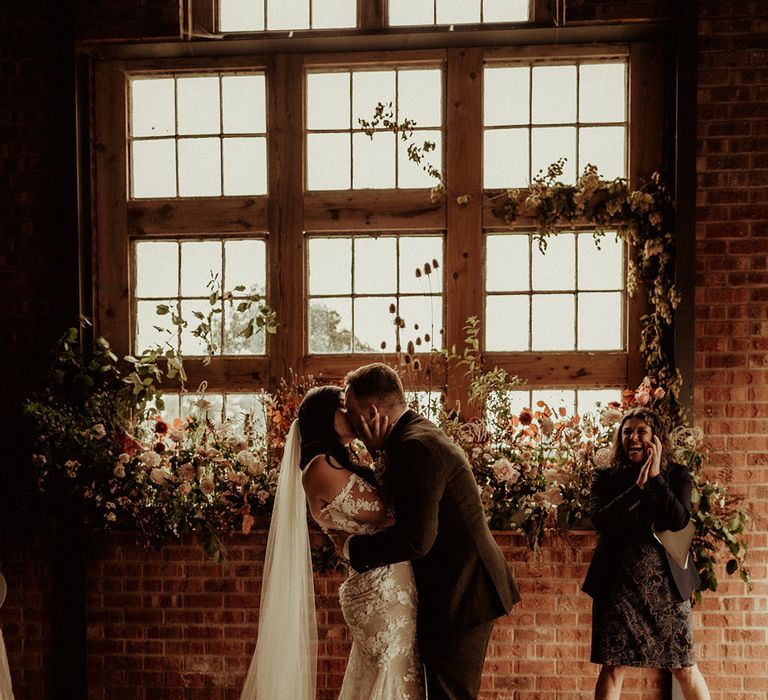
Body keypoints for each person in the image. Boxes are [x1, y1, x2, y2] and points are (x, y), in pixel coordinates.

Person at [339, 362, 520, 700]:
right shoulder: (414, 434)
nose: (350, 423)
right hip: (460, 585)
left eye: (351, 413)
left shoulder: (414, 447)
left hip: (462, 592)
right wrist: (380, 453)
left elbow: (416, 539)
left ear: (372, 411)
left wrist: (352, 549)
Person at [240, 385, 424, 700]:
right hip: (380, 592)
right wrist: (382, 448)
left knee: (386, 675)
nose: (353, 412)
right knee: (393, 674)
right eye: (344, 406)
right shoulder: (320, 467)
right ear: (326, 416)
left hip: (384, 582)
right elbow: (388, 512)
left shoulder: (337, 461)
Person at [582, 407, 711, 700]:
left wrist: (655, 480)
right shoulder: (605, 476)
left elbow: (678, 520)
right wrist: (637, 488)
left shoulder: (677, 475)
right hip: (618, 588)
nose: (633, 438)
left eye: (641, 431)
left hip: (667, 587)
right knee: (613, 668)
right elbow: (601, 519)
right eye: (627, 432)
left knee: (685, 668)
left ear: (656, 439)